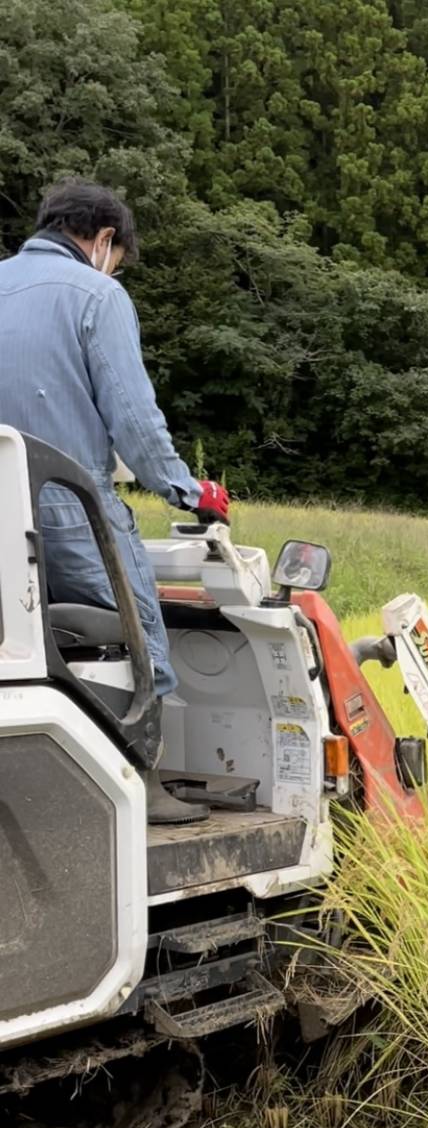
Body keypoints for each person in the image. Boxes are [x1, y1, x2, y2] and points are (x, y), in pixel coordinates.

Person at [0, 179, 228, 823]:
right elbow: (133, 420)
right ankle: (141, 785)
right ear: (103, 241)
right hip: (66, 510)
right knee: (137, 637)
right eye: (117, 254)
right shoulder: (97, 295)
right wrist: (191, 491)